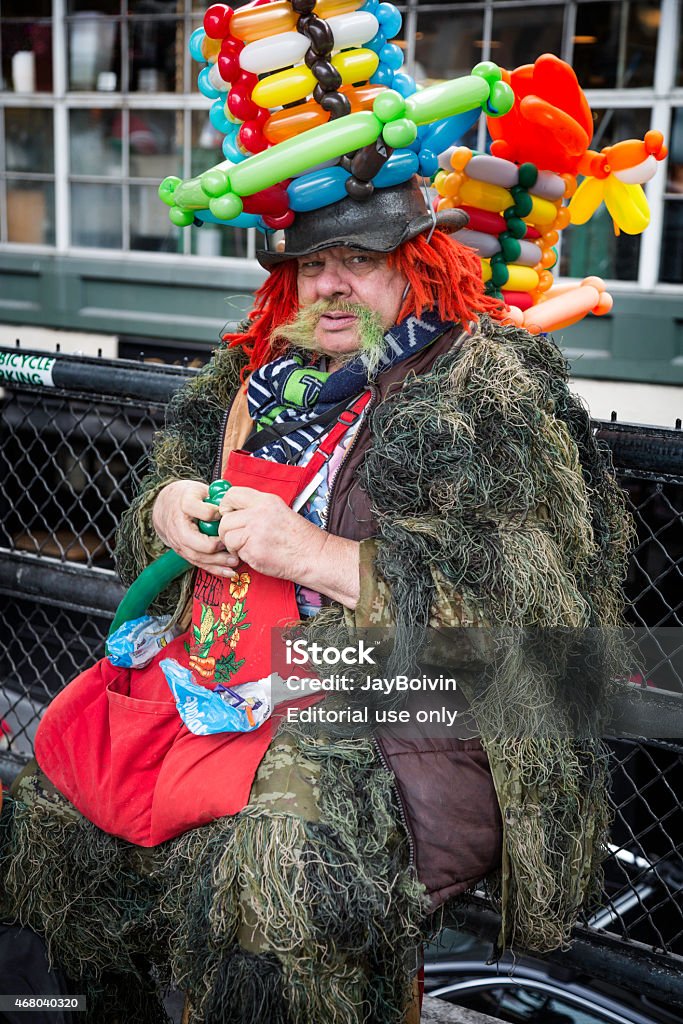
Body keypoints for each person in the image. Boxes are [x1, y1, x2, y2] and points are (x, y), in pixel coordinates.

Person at [0, 179, 631, 1024]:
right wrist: (166, 513)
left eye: (360, 261)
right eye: (312, 265)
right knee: (54, 804)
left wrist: (315, 556)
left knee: (278, 864)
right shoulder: (253, 374)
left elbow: (522, 627)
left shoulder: (478, 388)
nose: (331, 285)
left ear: (416, 266)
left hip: (401, 705)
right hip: (221, 674)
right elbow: (139, 547)